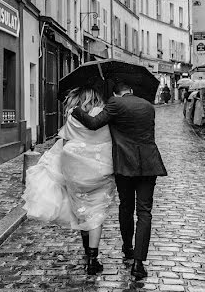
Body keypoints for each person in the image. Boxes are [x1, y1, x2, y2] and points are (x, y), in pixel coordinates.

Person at [71, 80, 167, 280]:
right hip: (149, 163)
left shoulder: (115, 104)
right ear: (131, 90)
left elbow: (94, 123)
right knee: (145, 212)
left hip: (124, 164)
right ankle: (139, 264)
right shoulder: (148, 106)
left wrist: (75, 110)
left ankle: (127, 247)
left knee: (126, 207)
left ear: (116, 93)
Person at [22, 86, 116, 274]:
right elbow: (111, 139)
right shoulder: (104, 114)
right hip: (101, 169)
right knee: (96, 213)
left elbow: (65, 141)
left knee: (81, 209)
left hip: (76, 170)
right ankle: (93, 258)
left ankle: (86, 252)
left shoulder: (74, 115)